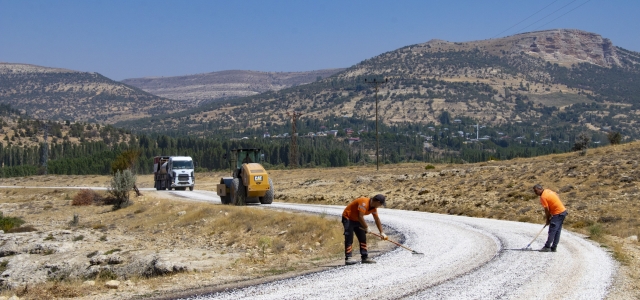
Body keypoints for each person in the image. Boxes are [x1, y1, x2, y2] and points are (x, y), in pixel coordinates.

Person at [342, 194, 388, 265]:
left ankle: (365, 257)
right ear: (378, 202)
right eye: (381, 204)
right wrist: (366, 228)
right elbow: (360, 216)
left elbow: (376, 219)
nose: (380, 206)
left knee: (362, 237)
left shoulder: (373, 208)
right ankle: (348, 258)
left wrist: (381, 232)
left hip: (357, 220)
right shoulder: (364, 202)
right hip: (348, 218)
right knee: (349, 237)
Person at [533, 184, 568, 252]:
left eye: (536, 191)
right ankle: (554, 247)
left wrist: (547, 219)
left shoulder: (543, 197)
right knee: (557, 230)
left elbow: (546, 209)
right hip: (563, 211)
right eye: (534, 191)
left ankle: (547, 246)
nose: (535, 193)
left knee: (552, 231)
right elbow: (557, 195)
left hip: (557, 213)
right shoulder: (547, 191)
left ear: (540, 189)